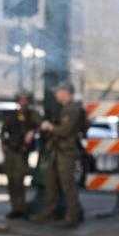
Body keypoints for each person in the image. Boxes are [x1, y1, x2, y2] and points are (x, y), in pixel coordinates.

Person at [33, 80, 83, 228]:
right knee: (51, 182)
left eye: (58, 91)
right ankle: (50, 211)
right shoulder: (66, 108)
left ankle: (73, 216)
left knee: (68, 185)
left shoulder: (72, 109)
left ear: (65, 92)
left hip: (66, 152)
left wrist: (50, 127)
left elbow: (65, 131)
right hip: (59, 151)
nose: (55, 94)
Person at [1, 91, 41, 218]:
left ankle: (21, 208)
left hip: (22, 151)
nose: (23, 102)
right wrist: (4, 143)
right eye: (21, 100)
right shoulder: (12, 115)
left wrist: (32, 132)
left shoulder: (32, 115)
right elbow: (3, 130)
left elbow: (39, 125)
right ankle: (15, 208)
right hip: (11, 151)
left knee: (19, 180)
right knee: (11, 180)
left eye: (25, 100)